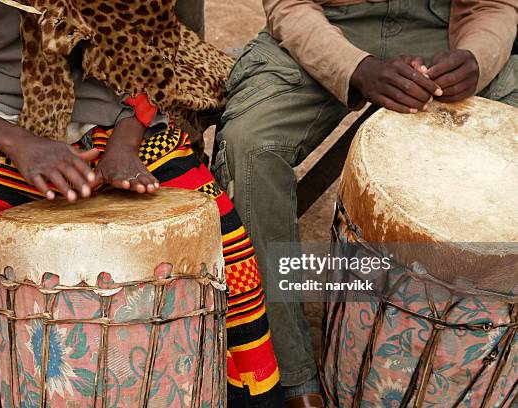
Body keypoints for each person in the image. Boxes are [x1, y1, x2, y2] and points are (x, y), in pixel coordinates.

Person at [0, 1, 283, 407]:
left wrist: (124, 144)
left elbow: (156, 58)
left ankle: (254, 395)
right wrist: (25, 146)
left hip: (118, 118)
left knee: (226, 246)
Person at [215, 0, 517, 406]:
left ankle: (487, 373)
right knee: (250, 146)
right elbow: (290, 6)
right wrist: (356, 67)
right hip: (331, 28)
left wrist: (475, 58)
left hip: (443, 32)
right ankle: (290, 375)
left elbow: (493, 6)